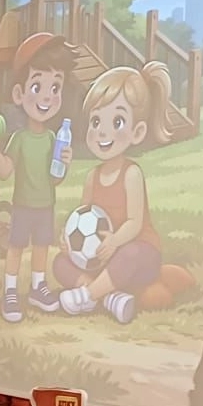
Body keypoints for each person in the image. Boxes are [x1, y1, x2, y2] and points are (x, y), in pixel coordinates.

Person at [52, 61, 173, 324]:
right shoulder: (92, 177)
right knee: (59, 263)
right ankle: (110, 298)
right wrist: (68, 241)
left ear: (137, 132)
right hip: (101, 259)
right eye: (96, 121)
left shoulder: (131, 174)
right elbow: (81, 217)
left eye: (117, 121)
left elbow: (135, 223)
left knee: (130, 254)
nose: (102, 131)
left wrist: (115, 242)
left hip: (137, 255)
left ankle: (87, 295)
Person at [0, 33, 76, 322]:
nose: (47, 96)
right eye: (38, 86)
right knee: (16, 246)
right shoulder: (20, 138)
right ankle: (11, 291)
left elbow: (55, 179)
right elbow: (6, 171)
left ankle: (37, 286)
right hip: (23, 205)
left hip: (45, 205)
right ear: (19, 95)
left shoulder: (53, 138)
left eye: (55, 87)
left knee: (42, 246)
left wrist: (64, 164)